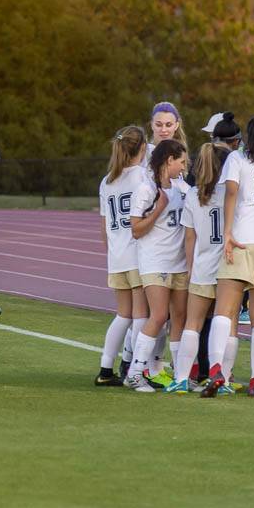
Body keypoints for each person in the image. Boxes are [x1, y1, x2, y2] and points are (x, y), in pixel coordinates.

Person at [201, 115, 254, 399]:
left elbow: (231, 195)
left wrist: (227, 232)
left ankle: (216, 369)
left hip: (244, 239)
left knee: (225, 310)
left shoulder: (237, 160)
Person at [125, 139, 190, 393]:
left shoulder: (181, 186)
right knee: (159, 315)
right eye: (181, 161)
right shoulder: (146, 189)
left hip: (179, 263)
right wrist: (158, 209)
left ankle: (179, 373)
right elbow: (136, 230)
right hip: (155, 261)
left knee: (179, 318)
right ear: (169, 160)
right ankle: (135, 371)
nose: (184, 166)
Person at [95, 126, 148, 386]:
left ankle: (106, 369)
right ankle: (137, 371)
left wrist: (113, 253)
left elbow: (104, 227)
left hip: (116, 256)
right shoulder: (141, 176)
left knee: (123, 314)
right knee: (141, 315)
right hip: (138, 254)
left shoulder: (107, 180)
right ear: (142, 148)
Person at [178, 142, 230, 393]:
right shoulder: (231, 193)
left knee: (193, 323)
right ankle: (224, 379)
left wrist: (190, 268)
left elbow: (190, 237)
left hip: (202, 265)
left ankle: (181, 378)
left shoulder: (192, 193)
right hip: (228, 269)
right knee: (225, 323)